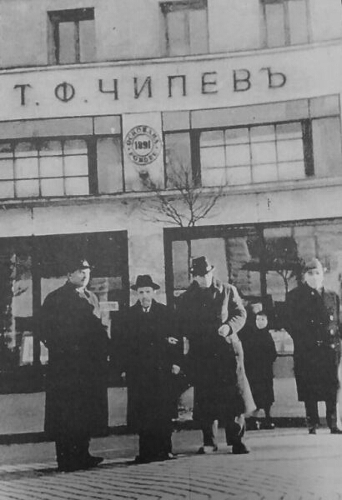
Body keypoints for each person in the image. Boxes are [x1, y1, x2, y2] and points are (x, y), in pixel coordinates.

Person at [37, 258, 109, 472]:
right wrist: (62, 350)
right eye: (79, 271)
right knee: (66, 412)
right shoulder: (56, 298)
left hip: (88, 366)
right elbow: (43, 329)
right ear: (69, 275)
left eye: (87, 270)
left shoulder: (92, 297)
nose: (84, 274)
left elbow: (98, 328)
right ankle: (66, 458)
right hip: (66, 367)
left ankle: (83, 453)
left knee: (85, 410)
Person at [177, 256, 249, 454]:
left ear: (212, 272)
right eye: (199, 275)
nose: (204, 278)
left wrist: (228, 327)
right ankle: (209, 441)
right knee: (206, 399)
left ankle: (237, 441)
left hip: (226, 353)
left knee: (233, 398)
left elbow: (241, 314)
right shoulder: (186, 298)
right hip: (203, 355)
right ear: (194, 277)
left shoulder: (227, 290)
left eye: (206, 274)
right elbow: (181, 324)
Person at [120, 275, 181, 463]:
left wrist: (176, 362)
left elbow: (176, 339)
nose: (144, 295)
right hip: (139, 371)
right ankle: (145, 452)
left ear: (154, 292)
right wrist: (123, 368)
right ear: (136, 294)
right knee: (143, 412)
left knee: (162, 410)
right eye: (140, 292)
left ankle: (165, 450)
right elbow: (124, 345)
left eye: (147, 291)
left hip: (162, 370)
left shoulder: (166, 312)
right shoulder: (128, 316)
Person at [286, 258, 342, 435]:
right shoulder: (295, 296)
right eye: (310, 273)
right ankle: (313, 423)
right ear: (304, 276)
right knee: (309, 385)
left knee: (331, 386)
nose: (314, 277)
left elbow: (338, 322)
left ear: (323, 275)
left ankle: (333, 423)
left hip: (329, 349)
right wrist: (304, 341)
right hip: (308, 350)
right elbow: (290, 323)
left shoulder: (332, 296)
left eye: (317, 273)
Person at [239, 310, 277, 430]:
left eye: (262, 320)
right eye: (257, 319)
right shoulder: (251, 336)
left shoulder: (268, 336)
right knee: (256, 394)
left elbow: (273, 353)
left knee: (267, 397)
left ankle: (268, 418)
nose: (260, 322)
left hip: (265, 371)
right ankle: (254, 419)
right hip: (255, 371)